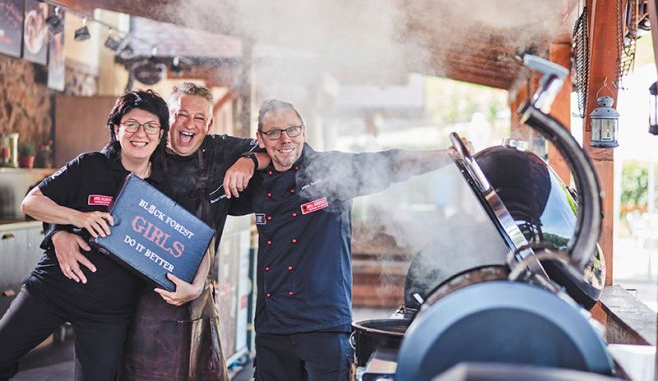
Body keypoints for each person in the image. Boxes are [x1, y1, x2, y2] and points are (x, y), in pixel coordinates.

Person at [48, 83, 268, 380]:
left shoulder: (218, 151)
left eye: (199, 118)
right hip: (132, 297)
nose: (190, 124)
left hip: (195, 297)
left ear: (209, 124)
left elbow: (270, 148)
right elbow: (77, 191)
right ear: (167, 122)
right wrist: (58, 231)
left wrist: (248, 161)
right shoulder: (138, 148)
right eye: (181, 114)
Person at [230, 99, 456, 381]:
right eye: (274, 133)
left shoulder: (331, 169)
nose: (285, 139)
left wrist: (448, 156)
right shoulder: (258, 182)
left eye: (292, 129)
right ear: (260, 139)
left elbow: (390, 163)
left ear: (304, 131)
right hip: (272, 326)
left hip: (323, 324)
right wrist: (248, 160)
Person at [0, 90, 170, 381]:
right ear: (117, 130)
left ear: (160, 134)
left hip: (109, 310)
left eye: (150, 126)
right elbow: (32, 202)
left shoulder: (167, 186)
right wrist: (73, 222)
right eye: (131, 124)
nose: (140, 133)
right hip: (52, 289)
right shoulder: (90, 165)